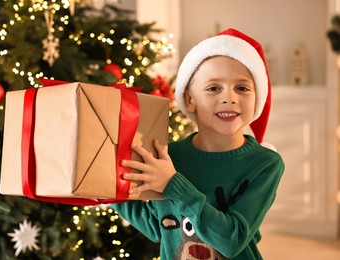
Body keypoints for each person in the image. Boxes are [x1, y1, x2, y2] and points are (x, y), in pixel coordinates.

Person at [111, 28, 284, 260]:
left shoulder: (265, 164)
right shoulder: (167, 156)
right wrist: (110, 191)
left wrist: (172, 183)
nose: (229, 97)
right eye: (214, 88)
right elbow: (156, 227)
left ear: (256, 99)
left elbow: (232, 240)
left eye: (242, 88)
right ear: (190, 99)